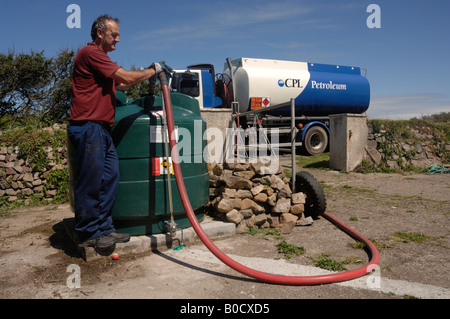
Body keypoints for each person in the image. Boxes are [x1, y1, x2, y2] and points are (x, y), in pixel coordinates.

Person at [68, 14, 163, 250]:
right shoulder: (90, 53)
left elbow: (120, 84)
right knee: (92, 181)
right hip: (88, 127)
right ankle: (89, 232)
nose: (118, 40)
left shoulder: (99, 62)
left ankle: (104, 228)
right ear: (100, 33)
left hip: (101, 129)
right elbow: (126, 78)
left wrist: (143, 76)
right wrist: (152, 71)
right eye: (114, 34)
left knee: (109, 177)